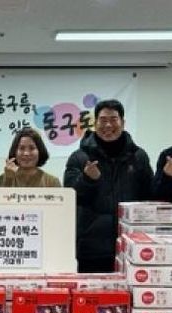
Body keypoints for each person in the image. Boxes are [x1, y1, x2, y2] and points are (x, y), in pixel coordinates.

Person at [64, 99, 153, 273]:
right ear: (95, 123)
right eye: (103, 120)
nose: (108, 125)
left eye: (113, 119)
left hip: (132, 246)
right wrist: (88, 179)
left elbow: (149, 196)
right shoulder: (79, 157)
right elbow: (70, 198)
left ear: (123, 122)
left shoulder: (138, 156)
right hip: (91, 248)